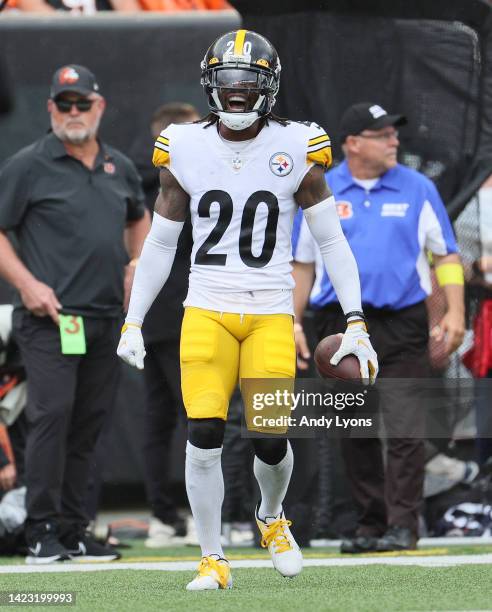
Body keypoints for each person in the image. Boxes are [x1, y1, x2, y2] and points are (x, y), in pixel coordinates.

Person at [118, 30, 378, 590]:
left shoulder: (299, 146)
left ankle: (270, 515)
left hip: (268, 313)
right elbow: (161, 244)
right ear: (211, 86)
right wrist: (134, 319)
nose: (236, 96)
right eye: (227, 85)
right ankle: (212, 557)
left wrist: (355, 320)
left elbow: (332, 243)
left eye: (248, 85)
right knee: (204, 431)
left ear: (269, 87)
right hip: (205, 308)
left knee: (269, 437)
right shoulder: (183, 145)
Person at [293, 102, 465, 553]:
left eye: (393, 132)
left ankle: (403, 526)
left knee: (407, 427)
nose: (394, 140)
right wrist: (291, 321)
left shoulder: (418, 187)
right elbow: (303, 264)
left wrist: (455, 313)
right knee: (354, 427)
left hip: (402, 322)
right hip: (338, 326)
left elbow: (445, 254)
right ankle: (370, 524)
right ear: (352, 143)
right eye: (382, 133)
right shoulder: (320, 188)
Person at [0, 64, 150, 564]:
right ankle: (39, 528)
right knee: (52, 417)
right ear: (49, 109)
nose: (72, 112)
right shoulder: (28, 164)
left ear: (99, 107)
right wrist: (27, 284)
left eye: (81, 103)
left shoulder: (118, 165)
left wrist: (136, 265)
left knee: (91, 422)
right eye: (63, 104)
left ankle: (72, 526)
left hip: (106, 315)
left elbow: (139, 218)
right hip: (52, 318)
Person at [138, 102, 199, 547]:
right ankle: (199, 514)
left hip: (150, 318)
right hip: (181, 315)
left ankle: (163, 514)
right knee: (198, 414)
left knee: (160, 419)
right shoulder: (186, 188)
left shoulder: (138, 185)